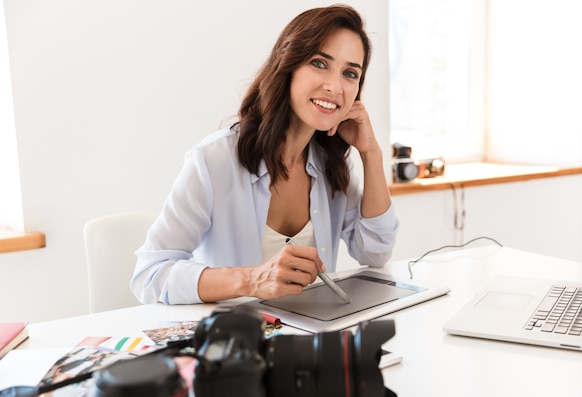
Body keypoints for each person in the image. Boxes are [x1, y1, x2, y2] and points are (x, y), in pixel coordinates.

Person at [131, 4, 399, 305]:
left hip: (312, 338)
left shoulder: (332, 166)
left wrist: (371, 153)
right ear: (288, 65)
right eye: (320, 63)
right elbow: (150, 275)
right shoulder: (213, 161)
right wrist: (251, 279)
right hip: (236, 339)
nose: (335, 86)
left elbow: (376, 251)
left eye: (350, 74)